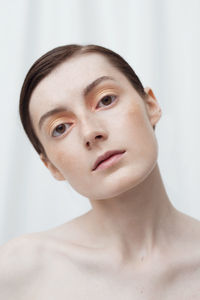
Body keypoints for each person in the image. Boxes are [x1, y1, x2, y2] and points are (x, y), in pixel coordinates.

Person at [0, 44, 200, 299]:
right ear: (50, 165)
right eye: (61, 128)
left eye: (105, 100)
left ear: (150, 105)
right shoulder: (17, 271)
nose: (90, 132)